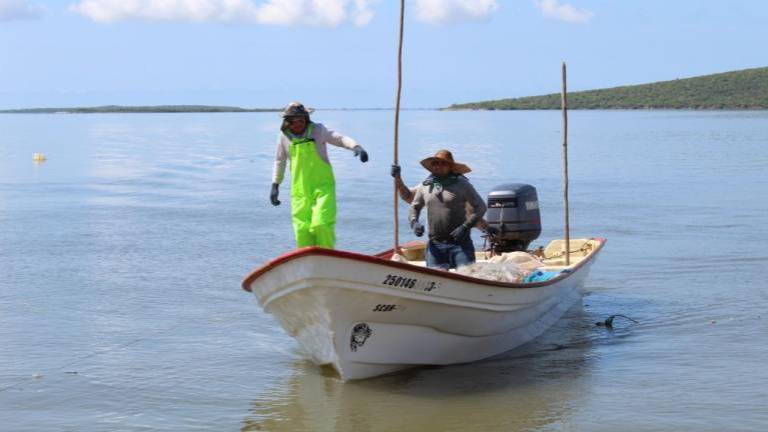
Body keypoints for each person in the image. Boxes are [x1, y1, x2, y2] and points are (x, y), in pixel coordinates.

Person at [270, 102, 368, 249]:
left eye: (301, 120)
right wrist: (275, 185)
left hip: (323, 187)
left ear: (306, 119)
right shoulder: (284, 136)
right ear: (287, 122)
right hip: (299, 191)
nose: (297, 124)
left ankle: (327, 256)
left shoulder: (318, 130)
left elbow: (339, 138)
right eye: (293, 121)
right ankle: (309, 261)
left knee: (321, 224)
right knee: (302, 230)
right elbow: (280, 161)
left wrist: (356, 147)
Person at [408, 150, 487, 270]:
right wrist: (414, 223)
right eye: (435, 163)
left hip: (460, 244)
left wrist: (465, 226)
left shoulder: (462, 184)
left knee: (466, 278)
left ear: (450, 166)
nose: (438, 166)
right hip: (435, 245)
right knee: (434, 280)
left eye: (443, 163)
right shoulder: (426, 185)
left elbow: (481, 207)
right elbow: (415, 206)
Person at [391, 164, 496, 235]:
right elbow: (408, 196)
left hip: (459, 242)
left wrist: (488, 229)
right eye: (437, 166)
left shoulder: (462, 188)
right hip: (436, 242)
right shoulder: (429, 185)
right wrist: (398, 178)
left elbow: (475, 215)